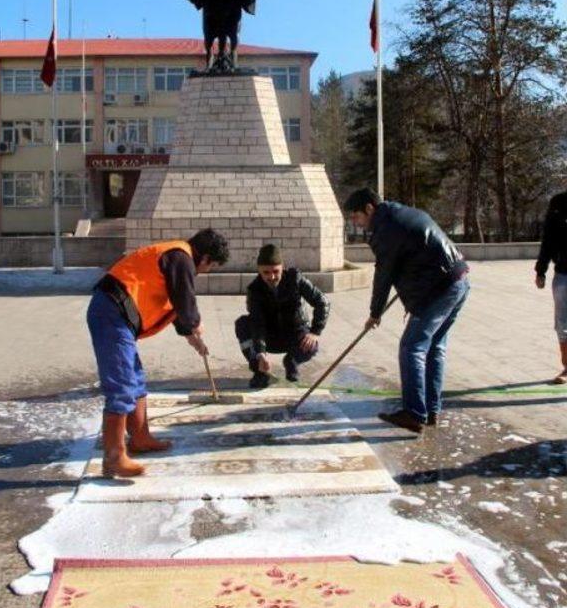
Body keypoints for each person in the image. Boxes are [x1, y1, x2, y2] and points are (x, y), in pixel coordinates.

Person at [87, 228, 230, 477]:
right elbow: (186, 302)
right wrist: (195, 323)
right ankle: (114, 456)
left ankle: (140, 438)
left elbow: (175, 305)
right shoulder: (181, 258)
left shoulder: (176, 257)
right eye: (211, 266)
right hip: (111, 312)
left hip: (118, 314)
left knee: (135, 377)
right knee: (121, 382)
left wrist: (192, 338)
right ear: (205, 257)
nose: (206, 271)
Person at [344, 188, 469, 434]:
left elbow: (384, 274)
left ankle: (414, 413)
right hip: (458, 281)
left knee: (411, 347)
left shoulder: (386, 229)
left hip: (439, 288)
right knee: (433, 347)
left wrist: (375, 312)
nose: (355, 222)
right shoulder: (398, 214)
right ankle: (430, 410)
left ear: (369, 209)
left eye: (356, 216)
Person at [235, 243, 330, 388]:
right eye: (266, 273)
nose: (272, 277)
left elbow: (322, 302)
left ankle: (292, 362)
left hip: (295, 334)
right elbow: (257, 324)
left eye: (276, 271)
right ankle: (260, 371)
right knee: (242, 324)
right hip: (269, 337)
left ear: (282, 267)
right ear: (259, 271)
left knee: (312, 345)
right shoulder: (254, 290)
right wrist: (260, 353)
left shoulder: (295, 278)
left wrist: (315, 332)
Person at [535, 191, 567, 383]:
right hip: (564, 273)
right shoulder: (559, 203)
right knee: (563, 324)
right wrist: (541, 270)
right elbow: (548, 241)